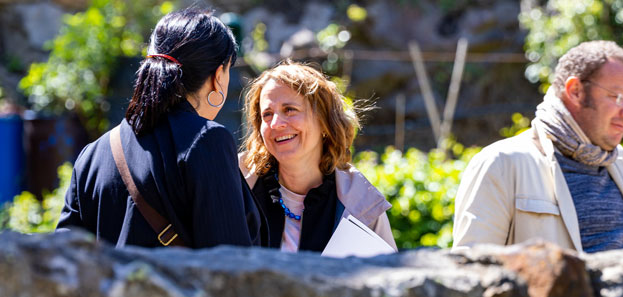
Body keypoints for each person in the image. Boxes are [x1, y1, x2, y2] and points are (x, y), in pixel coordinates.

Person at [57, 8, 262, 248]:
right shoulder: (207, 140)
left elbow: (64, 252)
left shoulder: (93, 154)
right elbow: (230, 260)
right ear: (219, 75)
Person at [452, 40, 623, 252]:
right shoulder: (500, 163)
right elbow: (472, 269)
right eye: (618, 98)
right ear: (575, 91)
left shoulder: (617, 160)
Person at [240, 61, 396, 252]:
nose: (275, 123)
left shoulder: (360, 203)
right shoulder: (237, 183)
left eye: (289, 110)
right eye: (267, 114)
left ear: (323, 121)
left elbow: (387, 276)